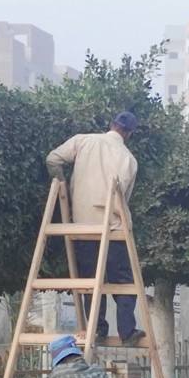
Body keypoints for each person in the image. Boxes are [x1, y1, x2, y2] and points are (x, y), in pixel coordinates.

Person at [45, 111, 144, 346]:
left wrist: (62, 187)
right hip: (112, 227)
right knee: (123, 282)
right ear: (129, 134)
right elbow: (124, 198)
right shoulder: (128, 159)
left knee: (90, 282)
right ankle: (127, 332)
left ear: (110, 125)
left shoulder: (84, 140)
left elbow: (53, 159)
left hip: (82, 225)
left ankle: (97, 330)